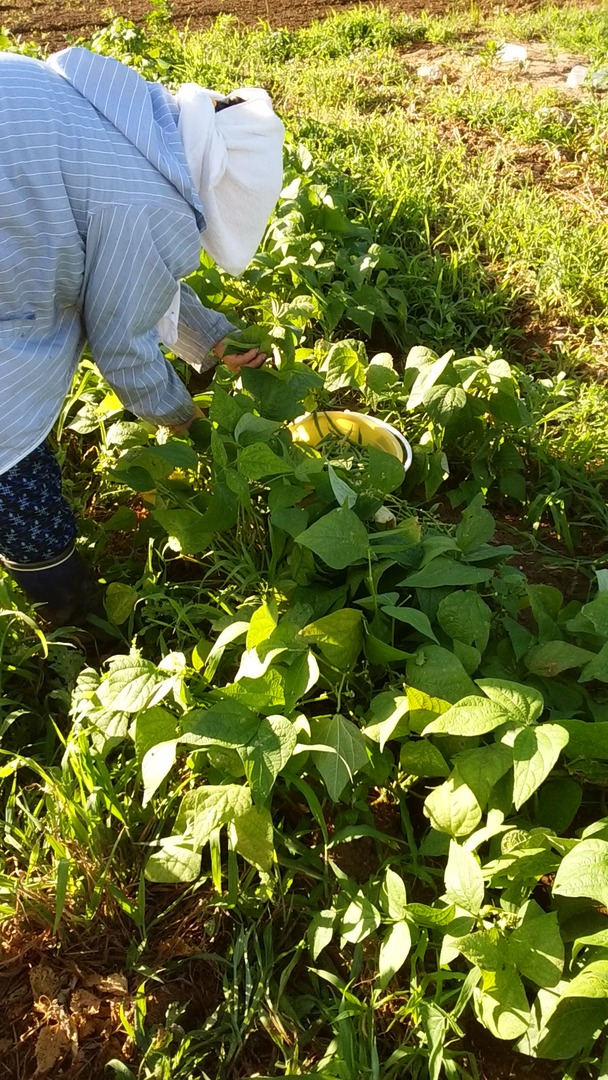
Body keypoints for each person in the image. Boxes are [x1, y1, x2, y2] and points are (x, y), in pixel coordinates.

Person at [0, 46, 284, 629]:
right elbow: (122, 339)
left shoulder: (125, 119)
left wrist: (214, 342)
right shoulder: (142, 199)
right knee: (14, 466)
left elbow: (130, 265)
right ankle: (62, 606)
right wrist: (181, 420)